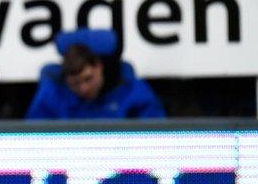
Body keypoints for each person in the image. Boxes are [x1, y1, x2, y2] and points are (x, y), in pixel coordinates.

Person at [26, 28, 166, 120]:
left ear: (99, 67)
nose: (83, 89)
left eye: (88, 79)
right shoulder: (52, 94)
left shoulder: (131, 90)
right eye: (75, 83)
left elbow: (157, 137)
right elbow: (33, 139)